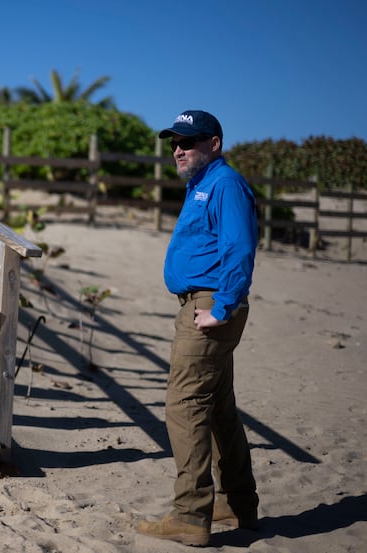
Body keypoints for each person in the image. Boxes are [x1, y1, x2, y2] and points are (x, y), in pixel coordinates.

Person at [136, 110, 260, 547]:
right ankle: (235, 503)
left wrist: (221, 307)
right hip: (201, 303)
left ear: (215, 143)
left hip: (208, 307)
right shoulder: (201, 185)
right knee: (219, 407)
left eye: (188, 141)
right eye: (175, 142)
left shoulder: (224, 184)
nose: (178, 149)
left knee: (184, 404)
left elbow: (239, 247)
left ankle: (190, 515)